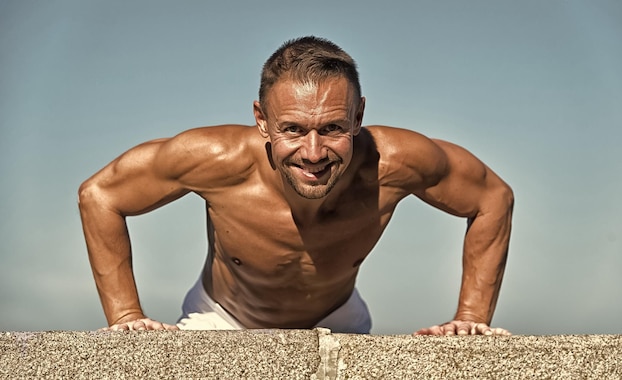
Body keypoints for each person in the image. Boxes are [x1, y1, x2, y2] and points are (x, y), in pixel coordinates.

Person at [78, 36, 513, 336]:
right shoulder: (214, 159)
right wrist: (126, 316)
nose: (313, 152)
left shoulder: (395, 162)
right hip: (223, 319)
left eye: (332, 128)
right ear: (261, 120)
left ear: (358, 116)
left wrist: (470, 317)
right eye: (292, 129)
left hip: (338, 317)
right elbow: (101, 194)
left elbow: (492, 196)